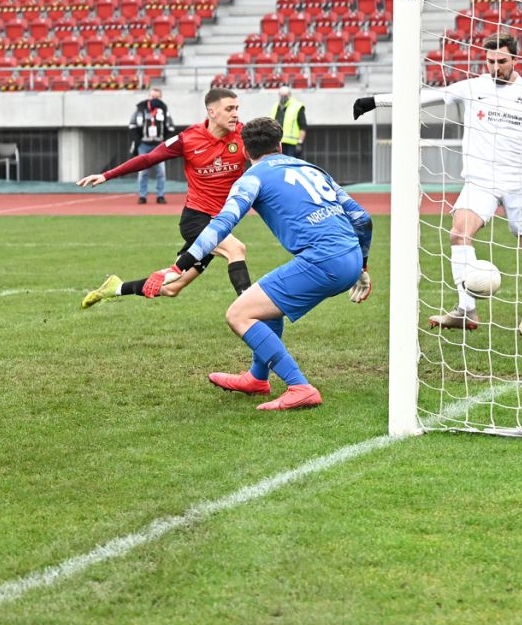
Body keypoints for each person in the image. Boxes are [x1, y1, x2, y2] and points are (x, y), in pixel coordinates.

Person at [353, 32, 522, 343]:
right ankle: (466, 309)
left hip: (518, 181)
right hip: (480, 179)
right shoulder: (474, 88)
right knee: (459, 232)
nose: (495, 67)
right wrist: (374, 101)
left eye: (501, 61)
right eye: (489, 61)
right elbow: (422, 97)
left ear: (515, 60)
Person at [142, 116, 373, 411]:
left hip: (323, 261)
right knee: (263, 304)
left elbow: (222, 223)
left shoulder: (253, 177)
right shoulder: (313, 169)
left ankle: (299, 386)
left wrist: (180, 265)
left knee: (238, 315)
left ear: (245, 152)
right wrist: (362, 267)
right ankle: (257, 378)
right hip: (350, 256)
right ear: (280, 144)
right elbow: (362, 219)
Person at [77, 87, 254, 305]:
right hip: (197, 220)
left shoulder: (245, 136)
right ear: (212, 111)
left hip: (222, 221)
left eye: (237, 108)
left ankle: (114, 288)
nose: (235, 114)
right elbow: (148, 159)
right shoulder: (188, 139)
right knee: (236, 249)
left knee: (172, 288)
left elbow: (270, 157)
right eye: (229, 109)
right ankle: (251, 309)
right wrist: (107, 175)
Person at [129, 92, 172, 205]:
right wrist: (137, 140)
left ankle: (160, 196)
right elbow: (132, 125)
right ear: (149, 97)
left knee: (161, 172)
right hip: (144, 144)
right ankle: (142, 196)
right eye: (153, 97)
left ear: (161, 98)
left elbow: (170, 126)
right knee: (143, 172)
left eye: (157, 97)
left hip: (159, 145)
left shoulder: (164, 110)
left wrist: (165, 140)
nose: (155, 99)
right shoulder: (140, 109)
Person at [270, 84, 308, 158]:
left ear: (290, 95)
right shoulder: (275, 107)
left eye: (285, 96)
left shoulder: (297, 106)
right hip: (278, 143)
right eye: (281, 95)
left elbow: (303, 126)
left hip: (292, 144)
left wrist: (300, 142)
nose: (283, 98)